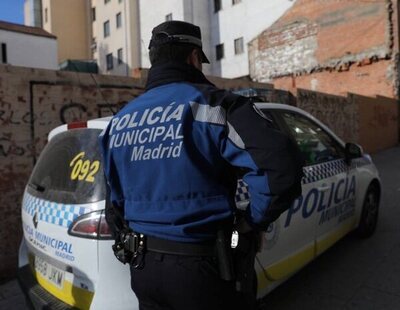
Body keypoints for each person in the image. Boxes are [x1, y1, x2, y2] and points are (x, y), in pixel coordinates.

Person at [99, 20, 304, 310]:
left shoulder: (118, 123)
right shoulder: (213, 105)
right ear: (194, 58)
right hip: (204, 269)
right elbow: (281, 167)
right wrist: (251, 223)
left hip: (142, 269)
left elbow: (113, 202)